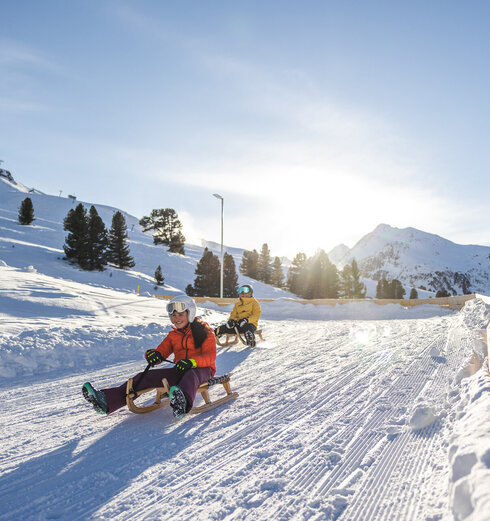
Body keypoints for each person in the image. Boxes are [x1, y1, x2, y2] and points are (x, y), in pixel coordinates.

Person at [82, 295, 217, 418]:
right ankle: (106, 400)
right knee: (145, 376)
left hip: (202, 370)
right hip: (180, 369)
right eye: (173, 315)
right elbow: (161, 351)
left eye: (180, 314)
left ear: (190, 313)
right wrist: (153, 354)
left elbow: (210, 357)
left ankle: (181, 403)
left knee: (191, 375)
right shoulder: (173, 336)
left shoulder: (205, 332)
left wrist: (191, 362)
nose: (176, 319)